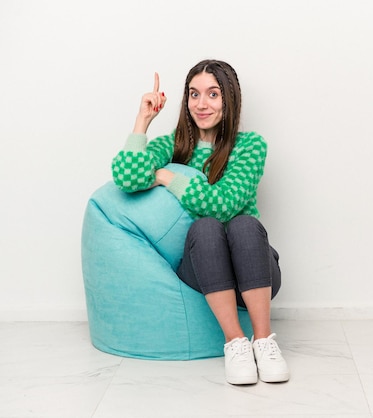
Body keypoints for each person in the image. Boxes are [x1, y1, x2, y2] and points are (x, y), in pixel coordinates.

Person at [111, 59, 289, 385]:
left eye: (212, 94)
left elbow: (223, 205)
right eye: (194, 94)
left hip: (255, 270)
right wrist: (143, 121)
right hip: (202, 271)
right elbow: (126, 177)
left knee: (242, 224)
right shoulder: (175, 144)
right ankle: (236, 344)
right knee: (205, 229)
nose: (201, 104)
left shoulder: (250, 146)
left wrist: (168, 177)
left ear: (229, 99)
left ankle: (263, 342)